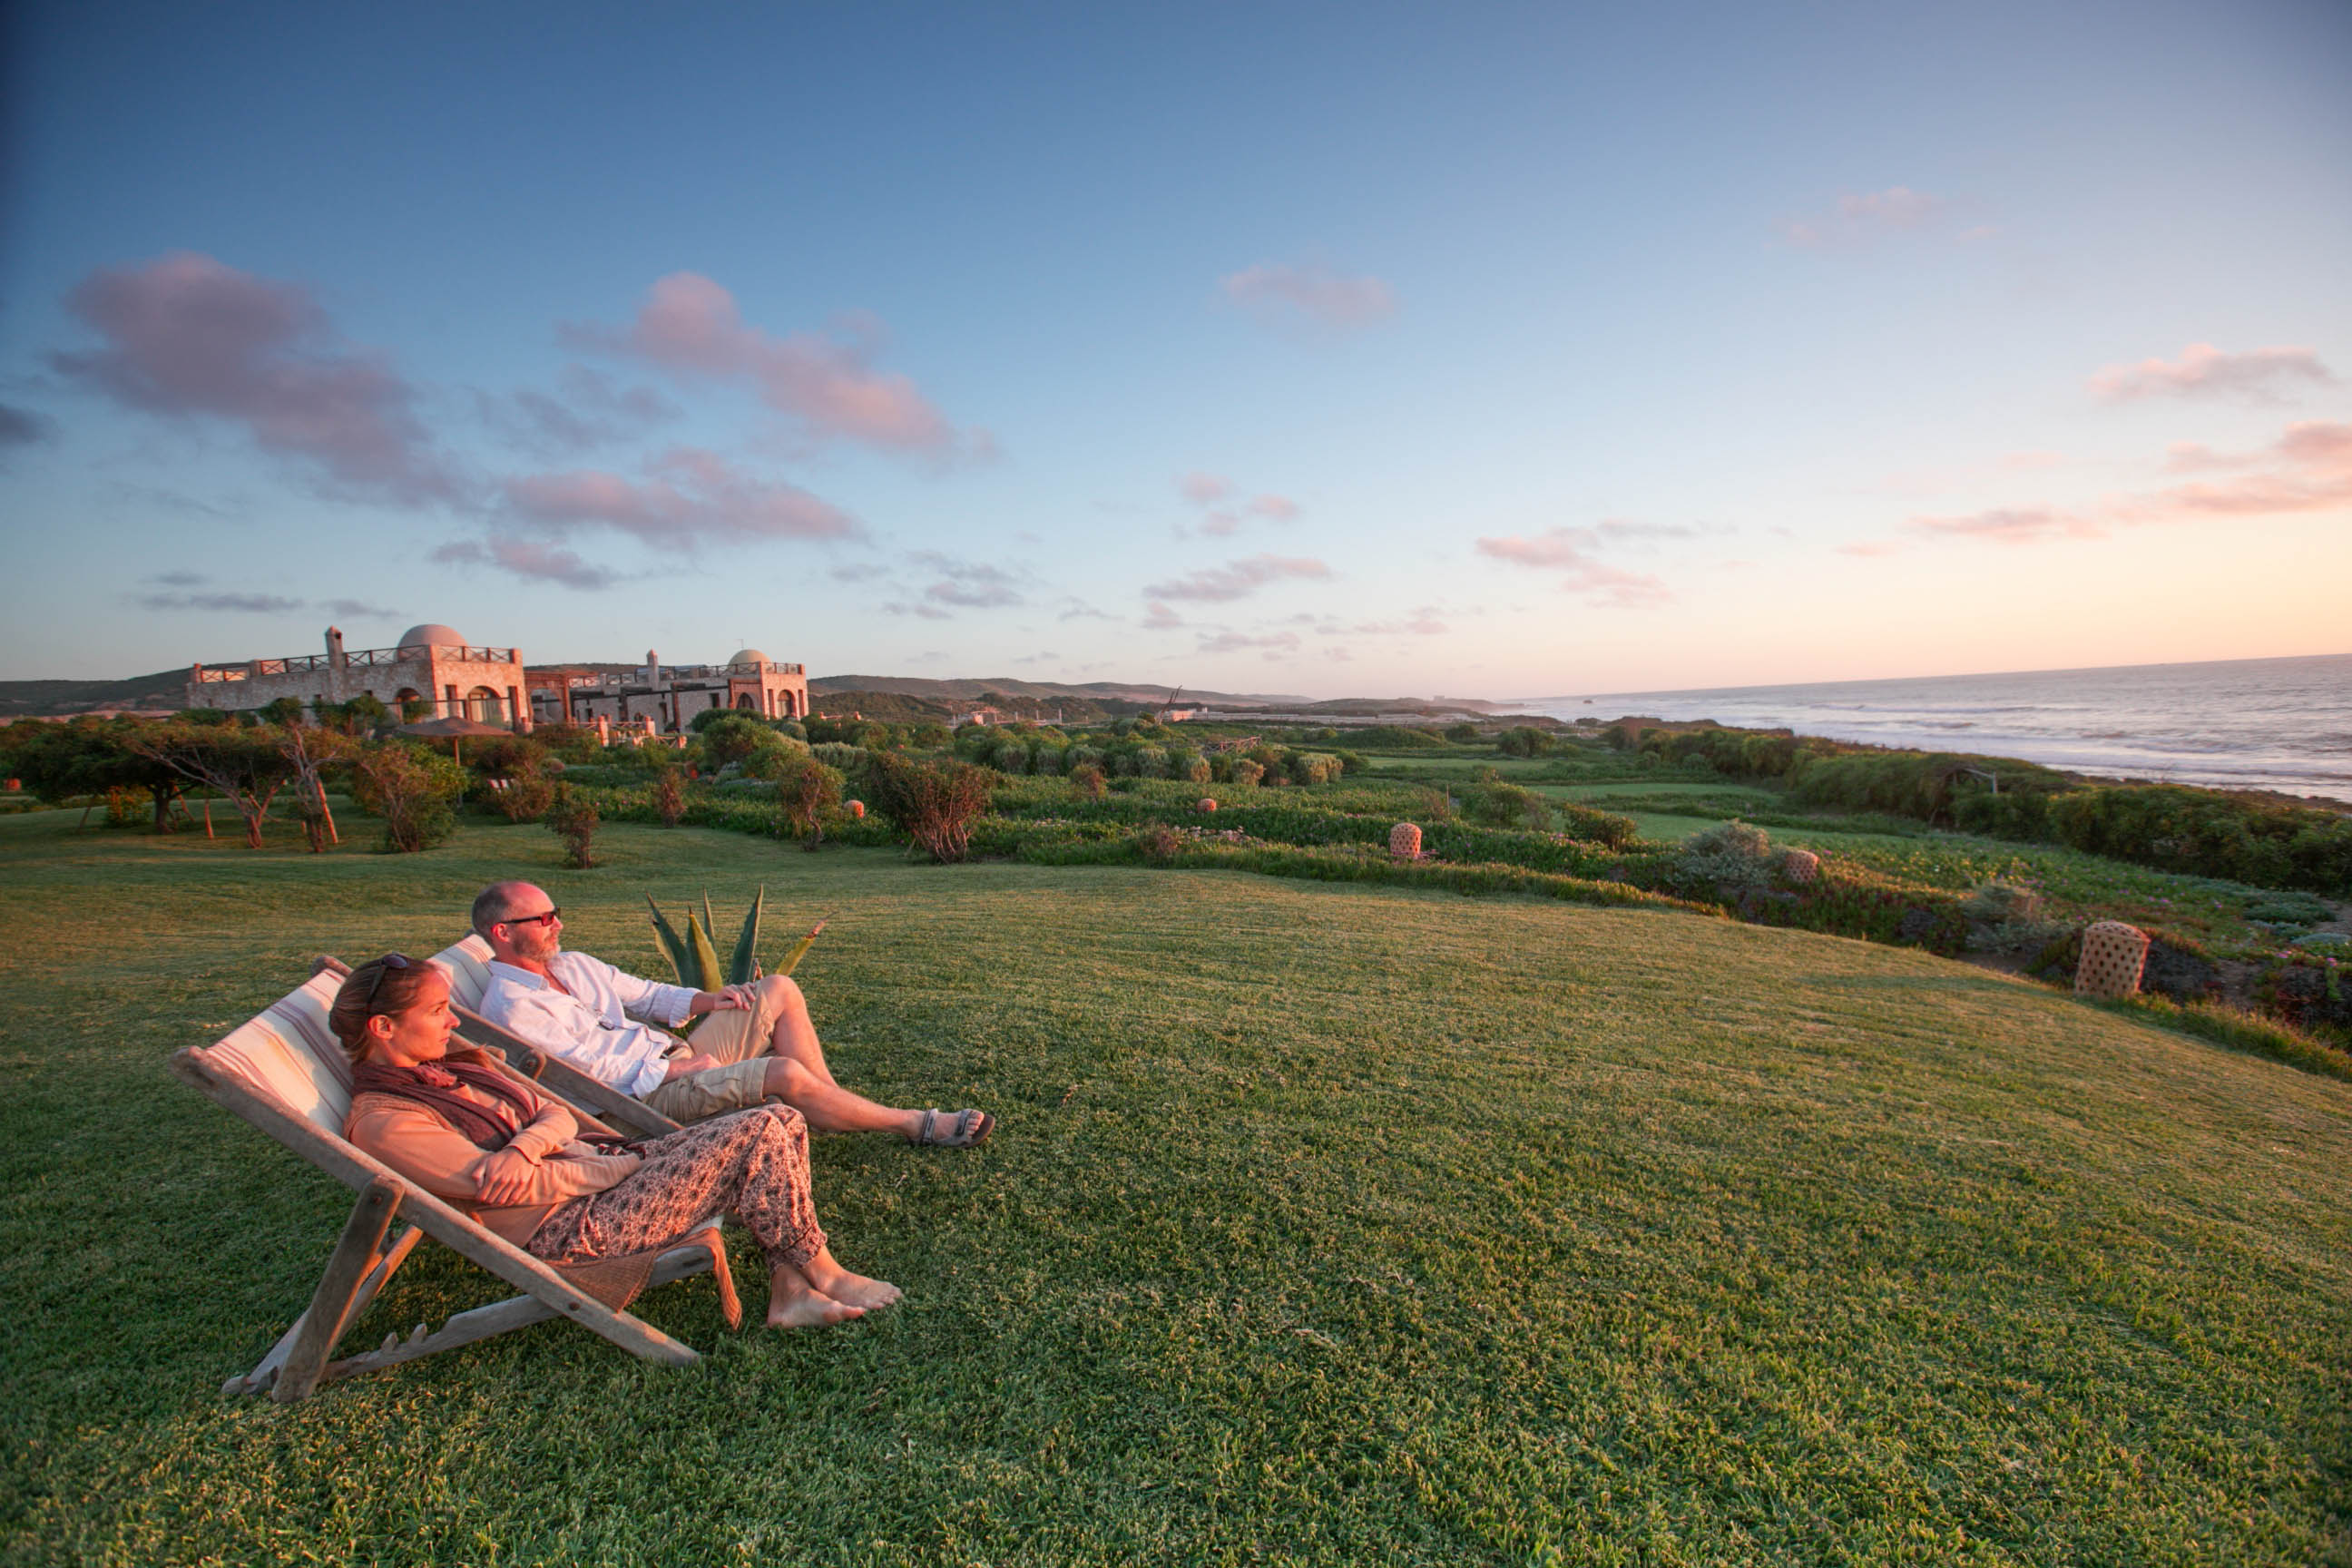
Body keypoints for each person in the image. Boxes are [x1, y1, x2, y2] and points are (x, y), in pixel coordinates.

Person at [333, 952, 897, 1329]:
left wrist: (523, 1143)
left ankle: (789, 1290)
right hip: (572, 1227)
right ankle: (820, 1268)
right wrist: (617, 1168)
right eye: (437, 1012)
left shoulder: (456, 1066)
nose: (453, 1023)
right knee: (757, 1128)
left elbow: (554, 1112)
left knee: (785, 1120)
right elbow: (508, 1189)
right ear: (383, 1028)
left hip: (593, 1169)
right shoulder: (385, 1120)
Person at [468, 880, 991, 1147]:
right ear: (503, 932)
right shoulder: (511, 1009)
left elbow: (647, 995)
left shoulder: (574, 964)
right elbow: (587, 1076)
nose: (557, 925)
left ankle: (828, 1104)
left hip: (673, 1060)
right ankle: (917, 1125)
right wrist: (676, 1069)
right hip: (637, 1101)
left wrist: (710, 1001)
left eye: (556, 914)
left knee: (778, 987)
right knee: (783, 1071)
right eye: (543, 919)